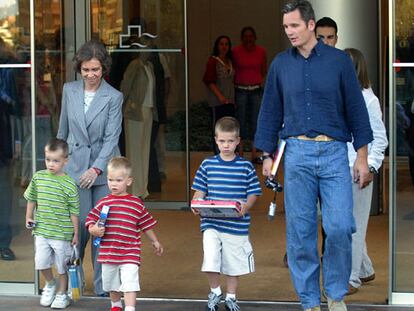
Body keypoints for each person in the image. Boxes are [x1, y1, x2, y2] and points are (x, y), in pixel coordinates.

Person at [254, 1, 373, 310]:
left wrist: (362, 157)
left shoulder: (338, 62)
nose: (289, 32)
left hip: (335, 152)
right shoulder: (281, 64)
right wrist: (267, 156)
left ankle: (334, 294)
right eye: (285, 27)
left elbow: (357, 111)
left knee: (339, 226)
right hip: (296, 155)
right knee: (300, 232)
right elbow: (270, 111)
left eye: (294, 25)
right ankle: (309, 300)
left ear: (310, 25)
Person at [57, 39, 123, 296]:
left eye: (95, 69)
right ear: (79, 69)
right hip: (74, 168)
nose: (91, 75)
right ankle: (75, 284)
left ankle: (103, 285)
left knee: (102, 228)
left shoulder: (114, 96)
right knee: (79, 227)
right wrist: (58, 166)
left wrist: (95, 169)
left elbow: (111, 138)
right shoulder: (69, 90)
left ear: (103, 68)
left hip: (103, 172)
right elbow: (62, 130)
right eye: (86, 70)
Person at [191, 116, 262, 311]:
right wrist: (196, 203)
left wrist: (246, 207)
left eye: (230, 141)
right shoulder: (207, 164)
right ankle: (215, 292)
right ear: (216, 140)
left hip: (236, 224)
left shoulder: (245, 166)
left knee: (233, 263)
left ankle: (231, 297)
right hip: (211, 223)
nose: (226, 145)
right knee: (211, 257)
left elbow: (254, 192)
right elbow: (199, 190)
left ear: (238, 141)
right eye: (222, 141)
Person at [85, 156, 163, 311]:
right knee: (111, 283)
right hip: (109, 251)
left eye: (119, 180)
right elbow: (90, 219)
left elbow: (146, 223)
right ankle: (115, 305)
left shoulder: (136, 203)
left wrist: (155, 241)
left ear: (128, 181)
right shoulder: (103, 202)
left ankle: (130, 307)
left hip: (130, 252)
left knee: (130, 282)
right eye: (110, 180)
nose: (114, 184)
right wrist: (93, 229)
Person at [344, 48, 388, 295]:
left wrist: (370, 165)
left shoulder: (368, 98)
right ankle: (364, 269)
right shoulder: (341, 96)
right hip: (339, 168)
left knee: (355, 226)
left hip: (359, 170)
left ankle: (351, 278)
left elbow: (380, 138)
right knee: (347, 223)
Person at [24, 138, 80, 309]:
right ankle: (50, 283)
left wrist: (76, 233)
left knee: (62, 266)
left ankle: (62, 293)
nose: (51, 164)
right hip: (42, 230)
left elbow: (74, 211)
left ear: (65, 161)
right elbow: (31, 198)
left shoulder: (69, 184)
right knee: (41, 262)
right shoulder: (38, 178)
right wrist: (28, 217)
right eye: (48, 159)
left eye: (56, 160)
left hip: (62, 233)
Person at [232, 26, 267, 162]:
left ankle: (253, 154)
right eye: (245, 36)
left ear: (255, 37)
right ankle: (240, 153)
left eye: (250, 36)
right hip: (240, 89)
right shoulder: (235, 52)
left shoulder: (261, 51)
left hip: (255, 90)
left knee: (255, 121)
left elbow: (263, 70)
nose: (248, 39)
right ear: (242, 38)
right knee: (240, 120)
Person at [0, 37, 18, 261]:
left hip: (2, 137)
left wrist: (17, 142)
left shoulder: (6, 68)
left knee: (3, 193)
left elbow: (15, 105)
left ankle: (3, 242)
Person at [203, 35, 235, 154]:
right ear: (217, 46)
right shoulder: (213, 61)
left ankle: (228, 155)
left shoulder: (230, 62)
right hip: (217, 103)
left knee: (228, 130)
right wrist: (220, 96)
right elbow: (209, 81)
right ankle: (218, 155)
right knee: (218, 130)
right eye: (221, 44)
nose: (224, 46)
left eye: (226, 44)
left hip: (229, 102)